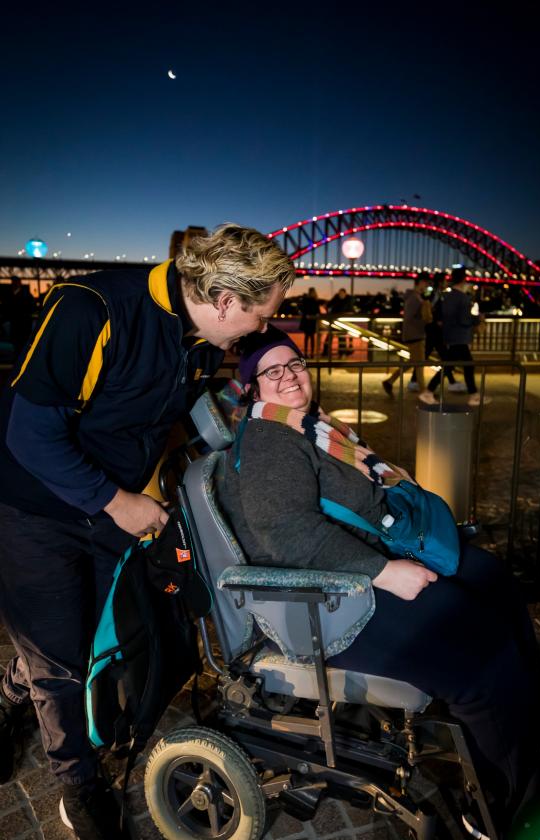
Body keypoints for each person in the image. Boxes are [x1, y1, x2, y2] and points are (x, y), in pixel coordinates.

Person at [220, 325, 540, 838]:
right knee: (478, 660)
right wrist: (386, 572)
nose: (289, 376)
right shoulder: (270, 440)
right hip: (333, 603)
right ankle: (501, 803)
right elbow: (289, 534)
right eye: (273, 371)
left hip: (367, 562)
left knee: (495, 582)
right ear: (252, 385)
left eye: (295, 365)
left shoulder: (310, 426)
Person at [0, 224, 295, 839]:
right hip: (35, 509)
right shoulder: (91, 309)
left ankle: (8, 693)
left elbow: (167, 414)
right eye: (263, 314)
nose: (266, 327)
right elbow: (29, 435)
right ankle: (78, 782)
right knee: (60, 659)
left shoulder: (200, 337)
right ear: (225, 302)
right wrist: (117, 501)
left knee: (85, 635)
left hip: (113, 509)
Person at [422, 266, 489, 406]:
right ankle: (473, 396)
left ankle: (429, 392)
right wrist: (477, 318)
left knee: (449, 366)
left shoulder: (447, 296)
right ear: (464, 279)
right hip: (460, 337)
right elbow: (465, 320)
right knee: (466, 366)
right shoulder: (463, 298)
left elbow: (441, 316)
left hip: (449, 335)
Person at [6, 275, 35, 357]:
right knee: (17, 347)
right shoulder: (10, 295)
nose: (13, 283)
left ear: (19, 283)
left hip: (23, 326)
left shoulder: (26, 295)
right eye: (12, 282)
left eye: (15, 282)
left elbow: (31, 308)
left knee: (22, 347)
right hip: (15, 326)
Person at [323, 287, 353, 357]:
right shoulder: (336, 298)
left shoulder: (348, 300)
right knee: (330, 336)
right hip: (334, 320)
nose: (341, 295)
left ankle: (342, 352)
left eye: (342, 294)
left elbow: (350, 310)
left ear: (345, 294)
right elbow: (328, 305)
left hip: (343, 322)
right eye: (340, 294)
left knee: (342, 337)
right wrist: (328, 313)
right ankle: (325, 352)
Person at [299, 287, 320, 357]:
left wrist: (307, 315)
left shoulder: (307, 300)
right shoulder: (314, 300)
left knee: (308, 337)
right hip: (311, 321)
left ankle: (307, 353)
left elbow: (303, 309)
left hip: (308, 321)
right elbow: (317, 311)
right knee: (311, 337)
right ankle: (310, 353)